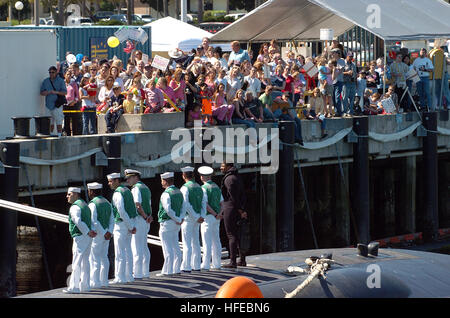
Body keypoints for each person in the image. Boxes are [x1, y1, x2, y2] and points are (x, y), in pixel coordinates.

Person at [63, 187, 96, 293]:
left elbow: (77, 221)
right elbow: (90, 220)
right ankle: (85, 285)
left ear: (76, 194)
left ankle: (74, 287)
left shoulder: (75, 207)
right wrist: (90, 231)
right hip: (88, 237)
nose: (67, 196)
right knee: (85, 261)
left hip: (80, 236)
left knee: (76, 261)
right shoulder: (85, 205)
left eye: (69, 194)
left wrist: (87, 231)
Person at [107, 172, 137, 284]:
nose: (109, 184)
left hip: (121, 224)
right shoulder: (127, 190)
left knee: (120, 252)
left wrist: (129, 226)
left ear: (116, 181)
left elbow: (121, 211)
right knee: (128, 250)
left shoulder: (117, 193)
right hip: (130, 223)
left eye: (110, 181)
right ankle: (129, 275)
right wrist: (132, 225)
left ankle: (120, 277)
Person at [124, 169, 153, 279]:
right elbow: (149, 205)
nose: (127, 180)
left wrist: (145, 216)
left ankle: (137, 273)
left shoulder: (136, 189)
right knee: (144, 246)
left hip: (139, 219)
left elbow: (137, 205)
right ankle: (145, 272)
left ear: (136, 177)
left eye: (129, 178)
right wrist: (149, 216)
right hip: (146, 220)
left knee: (136, 247)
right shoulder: (146, 187)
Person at [220, 162, 247, 268]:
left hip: (231, 208)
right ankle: (242, 260)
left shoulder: (228, 179)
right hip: (237, 208)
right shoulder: (237, 177)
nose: (221, 168)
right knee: (239, 234)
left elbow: (233, 196)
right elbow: (242, 195)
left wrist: (240, 210)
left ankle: (233, 262)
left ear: (228, 166)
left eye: (223, 166)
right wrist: (243, 209)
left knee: (231, 235)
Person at [87, 182, 113, 288]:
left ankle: (95, 282)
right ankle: (104, 281)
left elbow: (94, 221)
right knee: (104, 257)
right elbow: (112, 219)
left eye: (89, 191)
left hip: (98, 235)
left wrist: (103, 233)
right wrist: (109, 232)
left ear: (92, 192)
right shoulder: (107, 202)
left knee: (94, 259)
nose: (88, 193)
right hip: (107, 234)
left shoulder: (92, 204)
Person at [180, 166, 206, 272]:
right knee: (195, 242)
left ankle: (186, 266)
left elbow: (186, 204)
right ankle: (196, 265)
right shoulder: (199, 187)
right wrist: (201, 216)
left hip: (188, 218)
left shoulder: (184, 188)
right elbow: (204, 203)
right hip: (198, 218)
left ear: (184, 176)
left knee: (187, 242)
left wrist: (195, 216)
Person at [158, 172, 184, 276]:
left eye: (162, 181)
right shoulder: (178, 192)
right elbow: (183, 207)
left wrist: (177, 218)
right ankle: (176, 268)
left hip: (167, 222)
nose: (161, 183)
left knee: (167, 246)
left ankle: (167, 270)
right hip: (176, 222)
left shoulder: (166, 193)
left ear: (165, 181)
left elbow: (167, 209)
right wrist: (180, 218)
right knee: (175, 245)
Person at [198, 166, 223, 271]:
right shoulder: (216, 187)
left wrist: (214, 214)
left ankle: (206, 264)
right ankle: (217, 264)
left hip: (208, 217)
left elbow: (206, 205)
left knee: (206, 242)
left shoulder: (203, 188)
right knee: (216, 241)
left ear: (203, 177)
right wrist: (219, 214)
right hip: (217, 218)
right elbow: (222, 203)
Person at [40, 66, 67, 136]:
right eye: (50, 72)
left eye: (53, 72)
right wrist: (47, 92)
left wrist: (56, 92)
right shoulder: (45, 81)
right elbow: (41, 92)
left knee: (59, 121)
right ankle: (51, 134)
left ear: (56, 72)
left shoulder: (60, 81)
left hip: (57, 104)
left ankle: (59, 135)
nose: (51, 74)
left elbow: (65, 92)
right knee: (49, 122)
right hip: (48, 105)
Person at [63, 70, 82, 136]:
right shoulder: (62, 83)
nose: (68, 76)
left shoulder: (73, 83)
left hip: (73, 104)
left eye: (70, 75)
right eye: (67, 74)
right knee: (66, 121)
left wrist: (74, 101)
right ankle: (67, 134)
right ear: (64, 75)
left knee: (74, 121)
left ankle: (75, 135)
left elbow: (77, 95)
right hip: (65, 105)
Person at [342, 51, 357, 116]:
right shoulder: (343, 63)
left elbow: (355, 73)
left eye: (352, 57)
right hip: (345, 82)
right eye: (350, 56)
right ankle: (344, 111)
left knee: (352, 97)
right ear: (347, 56)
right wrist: (347, 73)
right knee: (345, 97)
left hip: (352, 82)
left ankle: (350, 111)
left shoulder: (353, 64)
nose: (351, 58)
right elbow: (340, 73)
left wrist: (356, 82)